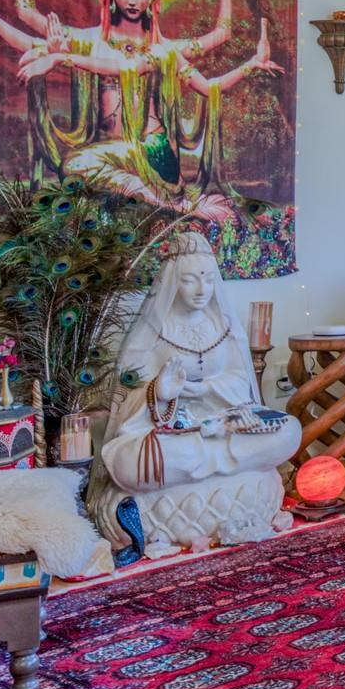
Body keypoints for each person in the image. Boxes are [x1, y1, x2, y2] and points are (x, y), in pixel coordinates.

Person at [0, 0, 279, 222]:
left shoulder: (162, 50)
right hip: (112, 153)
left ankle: (177, 205)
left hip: (152, 152)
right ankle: (173, 204)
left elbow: (217, 46)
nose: (132, 0)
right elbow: (26, 19)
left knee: (76, 166)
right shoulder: (89, 41)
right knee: (77, 172)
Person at [88, 232, 298, 556]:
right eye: (189, 281)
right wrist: (160, 391)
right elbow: (126, 394)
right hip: (176, 435)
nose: (202, 291)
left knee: (288, 431)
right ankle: (212, 467)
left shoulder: (222, 324)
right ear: (173, 281)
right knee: (133, 461)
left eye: (209, 280)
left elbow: (242, 381)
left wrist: (208, 388)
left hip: (225, 426)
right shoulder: (155, 328)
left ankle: (206, 466)